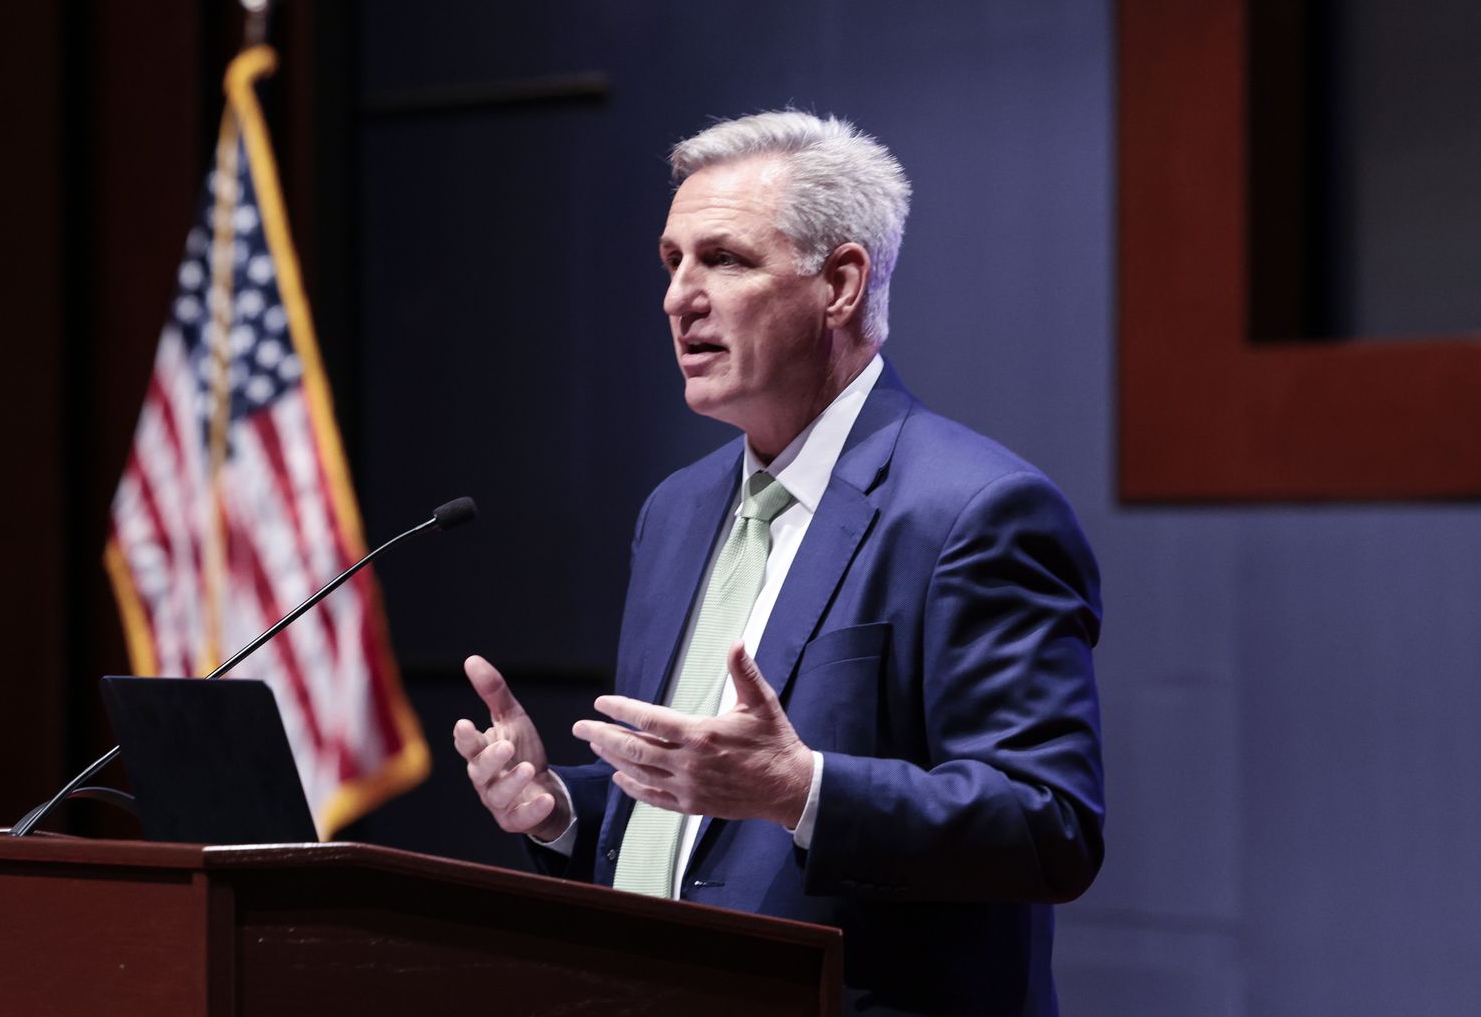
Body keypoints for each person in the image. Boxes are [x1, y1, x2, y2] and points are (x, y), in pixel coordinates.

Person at [452, 110, 1104, 1016]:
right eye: (671, 261)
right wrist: (562, 807)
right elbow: (707, 816)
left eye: (723, 259)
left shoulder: (974, 512)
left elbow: (1049, 825)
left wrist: (805, 789)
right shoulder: (676, 511)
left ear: (839, 285)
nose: (679, 295)